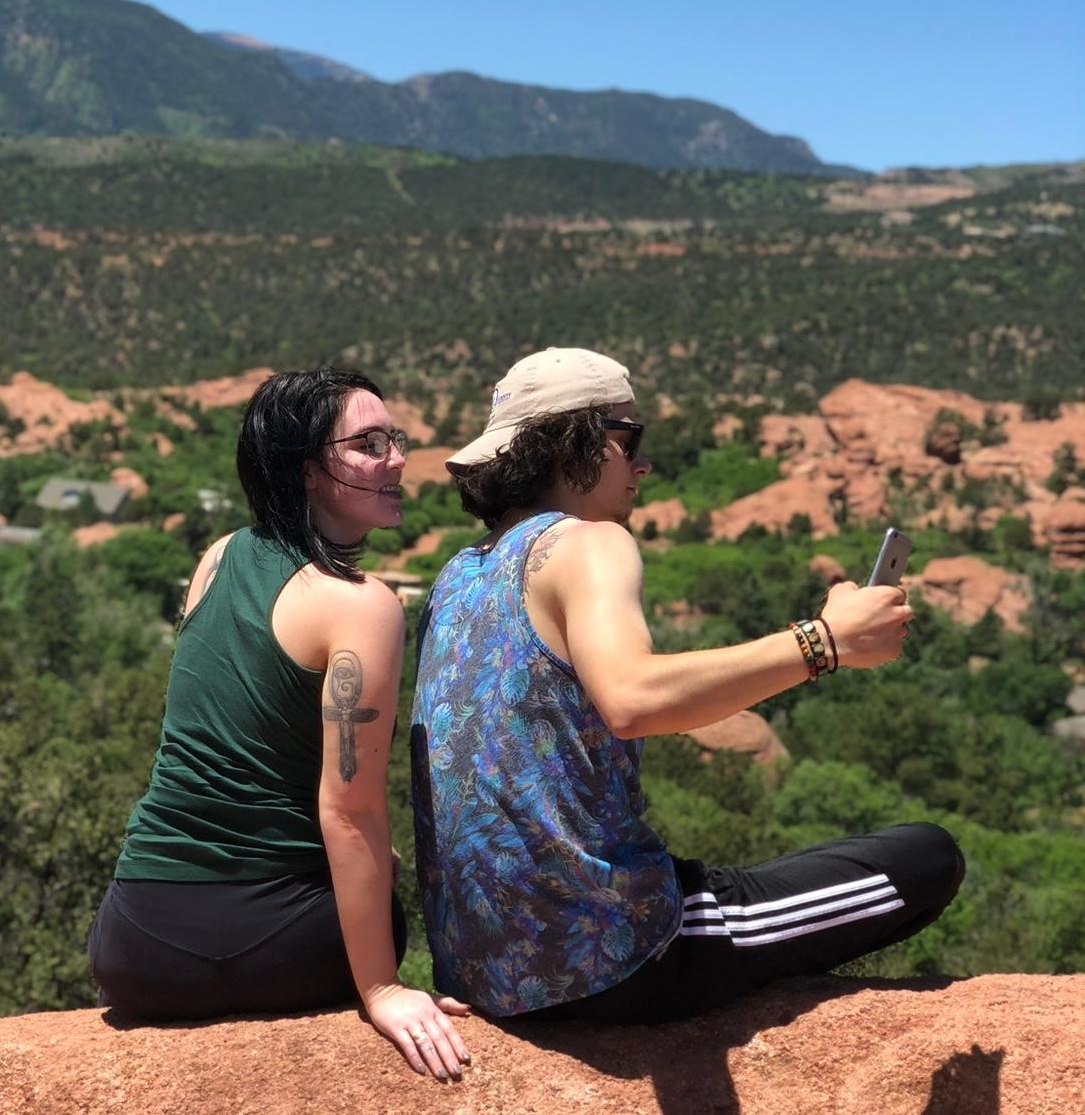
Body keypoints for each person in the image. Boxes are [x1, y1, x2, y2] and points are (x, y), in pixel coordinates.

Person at [410, 346, 964, 1023]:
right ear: (572, 445)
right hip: (610, 958)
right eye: (629, 439)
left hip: (478, 969)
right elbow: (633, 699)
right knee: (928, 857)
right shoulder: (587, 542)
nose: (642, 464)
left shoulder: (458, 575)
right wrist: (825, 643)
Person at [89, 367, 471, 1079]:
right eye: (367, 444)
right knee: (381, 902)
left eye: (396, 439)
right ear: (308, 472)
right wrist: (382, 989)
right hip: (276, 941)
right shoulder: (363, 606)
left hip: (134, 941)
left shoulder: (217, 557)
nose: (396, 460)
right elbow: (349, 810)